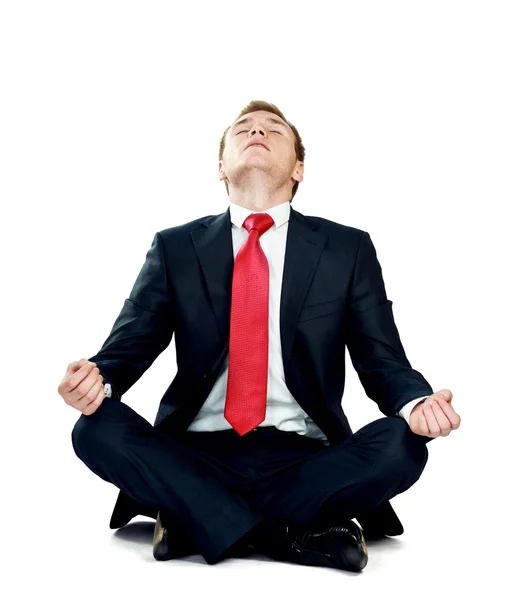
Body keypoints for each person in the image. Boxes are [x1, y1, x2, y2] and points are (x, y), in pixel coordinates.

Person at [59, 100, 461, 573]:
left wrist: (419, 405)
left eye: (273, 129)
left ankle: (202, 518)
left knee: (403, 445)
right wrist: (94, 382)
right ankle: (296, 533)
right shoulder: (175, 247)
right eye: (242, 129)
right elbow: (128, 348)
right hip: (195, 453)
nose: (257, 131)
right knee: (94, 430)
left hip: (304, 458)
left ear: (299, 168)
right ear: (220, 167)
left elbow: (383, 361)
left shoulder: (347, 249)